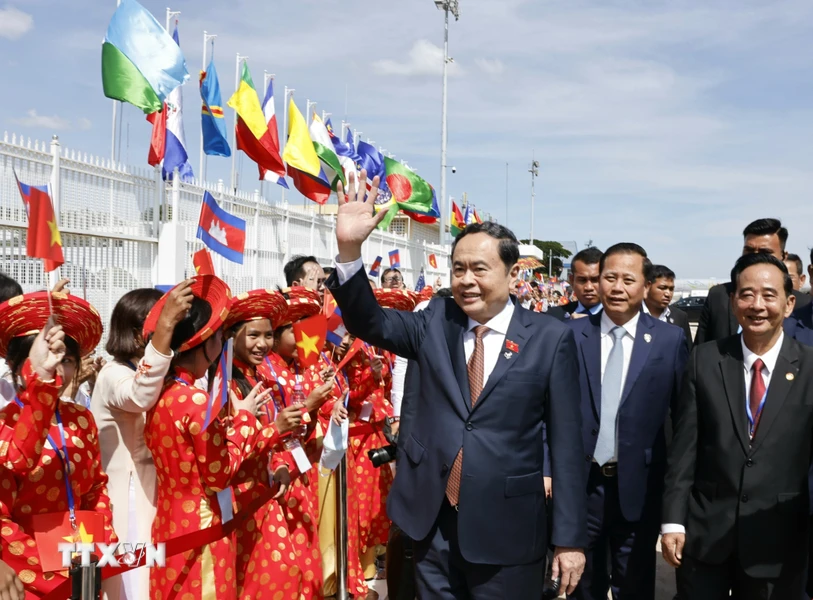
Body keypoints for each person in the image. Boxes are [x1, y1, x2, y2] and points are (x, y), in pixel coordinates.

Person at [327, 171, 587, 598]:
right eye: (458, 268)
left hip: (508, 527)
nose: (466, 280)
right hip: (432, 523)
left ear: (511, 272)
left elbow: (566, 443)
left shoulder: (550, 338)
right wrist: (350, 250)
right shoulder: (434, 322)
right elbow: (367, 321)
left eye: (479, 269)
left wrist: (570, 538)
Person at [662, 253, 813, 598]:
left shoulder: (809, 367)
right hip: (706, 536)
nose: (757, 305)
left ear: (789, 304)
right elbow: (685, 449)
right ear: (732, 302)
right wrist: (673, 520)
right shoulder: (705, 360)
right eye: (746, 294)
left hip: (780, 539)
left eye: (768, 295)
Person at [143, 275, 291, 600]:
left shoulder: (161, 394)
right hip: (203, 524)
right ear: (207, 341)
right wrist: (244, 420)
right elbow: (218, 474)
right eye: (219, 335)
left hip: (168, 521)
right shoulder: (196, 401)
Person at [566, 244, 688, 600]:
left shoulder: (670, 340)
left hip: (641, 487)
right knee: (581, 583)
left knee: (633, 584)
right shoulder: (571, 336)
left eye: (628, 279)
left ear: (646, 285)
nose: (617, 287)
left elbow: (683, 419)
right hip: (582, 487)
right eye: (610, 277)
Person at [0, 291, 116, 597]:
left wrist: (100, 543)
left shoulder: (81, 418)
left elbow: (95, 488)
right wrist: (44, 567)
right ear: (16, 363)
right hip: (29, 575)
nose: (58, 369)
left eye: (66, 359)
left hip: (83, 559)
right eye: (47, 357)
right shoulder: (4, 424)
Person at [91, 284, 193, 600]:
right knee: (134, 584)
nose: (170, 334)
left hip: (153, 492)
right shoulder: (113, 374)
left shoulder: (149, 370)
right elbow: (138, 395)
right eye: (162, 326)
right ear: (137, 334)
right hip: (127, 499)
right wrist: (164, 329)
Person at [695, 218, 810, 344]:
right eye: (749, 251)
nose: (756, 258)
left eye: (765, 252)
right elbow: (700, 351)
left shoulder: (803, 305)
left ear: (783, 256)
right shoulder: (718, 296)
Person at [644, 264, 693, 353]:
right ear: (647, 286)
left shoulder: (680, 317)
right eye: (662, 288)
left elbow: (687, 352)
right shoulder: (633, 313)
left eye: (671, 289)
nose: (668, 294)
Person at [546, 247, 603, 321]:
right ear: (572, 281)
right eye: (582, 280)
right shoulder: (554, 316)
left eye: (595, 280)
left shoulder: (617, 319)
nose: (589, 287)